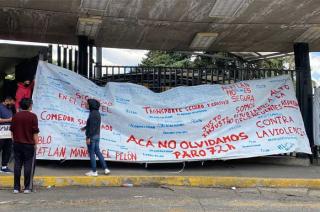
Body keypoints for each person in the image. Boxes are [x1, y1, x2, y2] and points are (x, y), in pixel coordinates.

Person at [10, 98, 39, 194]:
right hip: (29, 144)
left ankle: (16, 188)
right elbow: (35, 132)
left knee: (17, 165)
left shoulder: (15, 116)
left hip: (17, 143)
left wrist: (14, 141)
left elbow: (12, 131)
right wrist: (36, 143)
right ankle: (27, 188)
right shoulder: (33, 116)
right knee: (28, 165)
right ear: (30, 105)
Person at [81, 99, 110, 177]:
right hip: (97, 135)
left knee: (91, 153)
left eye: (87, 104)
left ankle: (94, 171)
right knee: (97, 152)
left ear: (91, 105)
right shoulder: (97, 113)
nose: (85, 105)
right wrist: (85, 127)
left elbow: (92, 127)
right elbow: (93, 125)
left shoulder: (92, 114)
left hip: (92, 136)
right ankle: (105, 169)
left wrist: (88, 137)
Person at [0, 96, 15, 173]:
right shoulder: (0, 107)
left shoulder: (9, 108)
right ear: (6, 100)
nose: (11, 105)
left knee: (7, 150)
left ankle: (4, 166)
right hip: (1, 133)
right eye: (11, 103)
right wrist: (8, 120)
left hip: (8, 133)